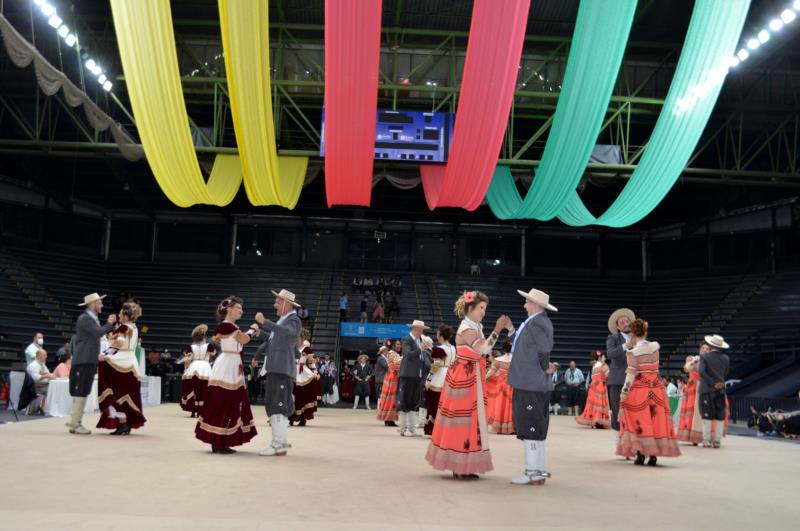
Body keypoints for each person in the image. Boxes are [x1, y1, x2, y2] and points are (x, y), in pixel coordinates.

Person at [426, 292, 509, 479]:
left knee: (473, 421)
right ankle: (459, 465)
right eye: (481, 308)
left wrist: (496, 362)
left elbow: (483, 353)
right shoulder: (466, 328)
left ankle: (466, 465)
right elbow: (483, 349)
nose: (483, 312)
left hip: (472, 375)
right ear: (470, 309)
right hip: (464, 376)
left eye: (484, 309)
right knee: (462, 420)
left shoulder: (475, 327)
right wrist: (497, 329)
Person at [506, 288, 558, 486]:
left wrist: (545, 366)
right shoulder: (535, 321)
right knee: (536, 426)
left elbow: (544, 348)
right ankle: (538, 471)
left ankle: (532, 472)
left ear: (535, 304)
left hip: (530, 382)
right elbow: (522, 344)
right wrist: (510, 328)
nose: (524, 304)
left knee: (530, 426)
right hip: (530, 381)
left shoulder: (537, 322)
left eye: (527, 301)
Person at [195, 296, 257, 454]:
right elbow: (243, 339)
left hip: (232, 363)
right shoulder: (227, 326)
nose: (241, 311)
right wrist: (253, 330)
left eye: (241, 309)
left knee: (229, 401)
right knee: (224, 400)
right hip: (228, 365)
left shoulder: (230, 326)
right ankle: (218, 441)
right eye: (238, 308)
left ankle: (221, 440)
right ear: (229, 309)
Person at [617, 319, 681, 466]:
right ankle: (653, 455)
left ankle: (640, 454)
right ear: (645, 332)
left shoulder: (632, 353)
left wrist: (624, 392)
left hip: (640, 391)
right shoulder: (655, 348)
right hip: (657, 390)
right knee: (655, 420)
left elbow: (630, 375)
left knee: (640, 421)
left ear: (633, 333)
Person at [252, 289, 302, 457]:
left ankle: (278, 444)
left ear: (287, 304)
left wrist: (265, 322)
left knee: (278, 405)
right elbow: (274, 339)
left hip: (281, 369)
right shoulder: (284, 320)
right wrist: (261, 333)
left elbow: (287, 334)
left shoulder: (293, 320)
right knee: (274, 404)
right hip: (276, 368)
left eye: (278, 302)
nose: (275, 305)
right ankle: (278, 443)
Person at [68, 293, 117, 435]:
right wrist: (109, 323)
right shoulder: (85, 318)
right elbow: (98, 333)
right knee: (82, 390)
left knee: (83, 390)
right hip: (84, 360)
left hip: (87, 359)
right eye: (99, 303)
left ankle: (74, 421)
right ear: (92, 304)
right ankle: (75, 423)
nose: (101, 305)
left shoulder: (89, 318)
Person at [96, 301, 146, 435]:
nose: (118, 314)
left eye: (120, 312)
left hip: (120, 362)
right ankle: (126, 423)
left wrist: (105, 354)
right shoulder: (134, 327)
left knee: (116, 393)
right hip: (131, 363)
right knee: (127, 394)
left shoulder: (123, 327)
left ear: (125, 315)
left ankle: (123, 423)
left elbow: (119, 342)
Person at [606, 308, 635, 452]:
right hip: (618, 380)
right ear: (617, 327)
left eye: (627, 321)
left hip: (635, 381)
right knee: (618, 413)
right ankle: (620, 446)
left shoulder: (639, 338)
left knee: (634, 413)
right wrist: (625, 346)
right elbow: (610, 354)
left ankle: (634, 445)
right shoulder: (613, 338)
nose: (625, 323)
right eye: (622, 322)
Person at [397, 320, 433, 437]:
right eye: (419, 329)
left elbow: (422, 358)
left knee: (413, 403)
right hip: (407, 374)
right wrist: (420, 349)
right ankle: (403, 428)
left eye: (422, 330)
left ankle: (411, 429)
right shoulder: (406, 339)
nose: (421, 331)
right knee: (405, 401)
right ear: (414, 328)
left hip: (418, 375)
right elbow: (407, 354)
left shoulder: (420, 340)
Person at [698, 334, 731, 448]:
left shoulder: (704, 357)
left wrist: (712, 383)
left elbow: (701, 372)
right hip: (721, 389)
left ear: (711, 345)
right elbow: (725, 372)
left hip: (707, 389)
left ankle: (706, 440)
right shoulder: (726, 358)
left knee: (706, 414)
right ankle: (717, 441)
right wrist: (718, 382)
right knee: (720, 415)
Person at [424, 326, 456, 436]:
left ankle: (434, 429)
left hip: (440, 376)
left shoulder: (439, 348)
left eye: (438, 333)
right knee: (447, 403)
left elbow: (436, 365)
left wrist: (428, 378)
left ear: (441, 335)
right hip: (450, 375)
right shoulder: (453, 348)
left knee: (434, 403)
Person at [178, 324, 215, 418]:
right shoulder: (208, 346)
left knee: (193, 389)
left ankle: (193, 411)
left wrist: (185, 370)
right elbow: (213, 354)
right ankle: (200, 411)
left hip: (193, 367)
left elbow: (187, 360)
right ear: (204, 336)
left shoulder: (191, 347)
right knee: (203, 389)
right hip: (204, 368)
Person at [290, 332, 321, 425]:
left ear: (302, 339)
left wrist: (315, 372)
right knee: (290, 395)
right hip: (291, 371)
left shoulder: (307, 349)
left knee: (301, 396)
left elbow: (311, 362)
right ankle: (290, 417)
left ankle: (302, 418)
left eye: (298, 338)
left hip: (302, 373)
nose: (296, 340)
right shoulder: (292, 347)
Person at [576, 351, 610, 429]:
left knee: (593, 404)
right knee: (600, 404)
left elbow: (592, 377)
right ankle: (599, 421)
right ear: (600, 357)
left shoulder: (594, 366)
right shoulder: (603, 365)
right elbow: (608, 375)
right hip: (600, 386)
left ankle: (593, 420)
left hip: (593, 386)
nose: (605, 358)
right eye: (604, 356)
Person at [487, 341, 514, 435]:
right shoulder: (517, 359)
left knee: (501, 405)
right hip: (513, 386)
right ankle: (512, 428)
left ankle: (501, 428)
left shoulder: (498, 359)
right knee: (511, 406)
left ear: (503, 348)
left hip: (501, 386)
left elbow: (491, 373)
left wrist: (483, 379)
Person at [377, 348, 401, 427]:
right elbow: (394, 365)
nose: (399, 346)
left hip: (391, 379)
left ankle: (389, 419)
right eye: (397, 344)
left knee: (389, 399)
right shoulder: (390, 356)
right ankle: (388, 419)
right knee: (389, 399)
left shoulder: (391, 357)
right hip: (391, 381)